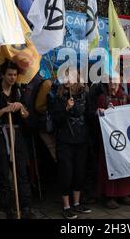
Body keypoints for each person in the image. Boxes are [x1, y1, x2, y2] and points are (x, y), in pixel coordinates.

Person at [0, 60, 34, 219]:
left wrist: (21, 109)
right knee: (3, 173)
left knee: (21, 172)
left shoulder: (19, 92)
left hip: (17, 134)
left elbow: (27, 117)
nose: (13, 78)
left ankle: (25, 207)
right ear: (2, 75)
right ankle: (6, 209)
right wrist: (5, 109)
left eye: (15, 75)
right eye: (9, 75)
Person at [47, 70, 92, 219]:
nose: (67, 79)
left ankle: (77, 203)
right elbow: (56, 120)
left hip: (81, 139)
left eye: (69, 76)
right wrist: (66, 108)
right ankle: (66, 205)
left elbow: (86, 113)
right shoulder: (57, 96)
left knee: (79, 172)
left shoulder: (83, 93)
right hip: (65, 140)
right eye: (64, 76)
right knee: (66, 172)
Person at [96, 80, 130, 209]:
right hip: (109, 137)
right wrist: (100, 111)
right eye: (111, 80)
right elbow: (98, 115)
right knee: (109, 165)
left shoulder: (125, 96)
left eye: (116, 80)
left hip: (124, 135)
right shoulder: (103, 98)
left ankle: (124, 194)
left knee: (124, 162)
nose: (113, 83)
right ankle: (109, 196)